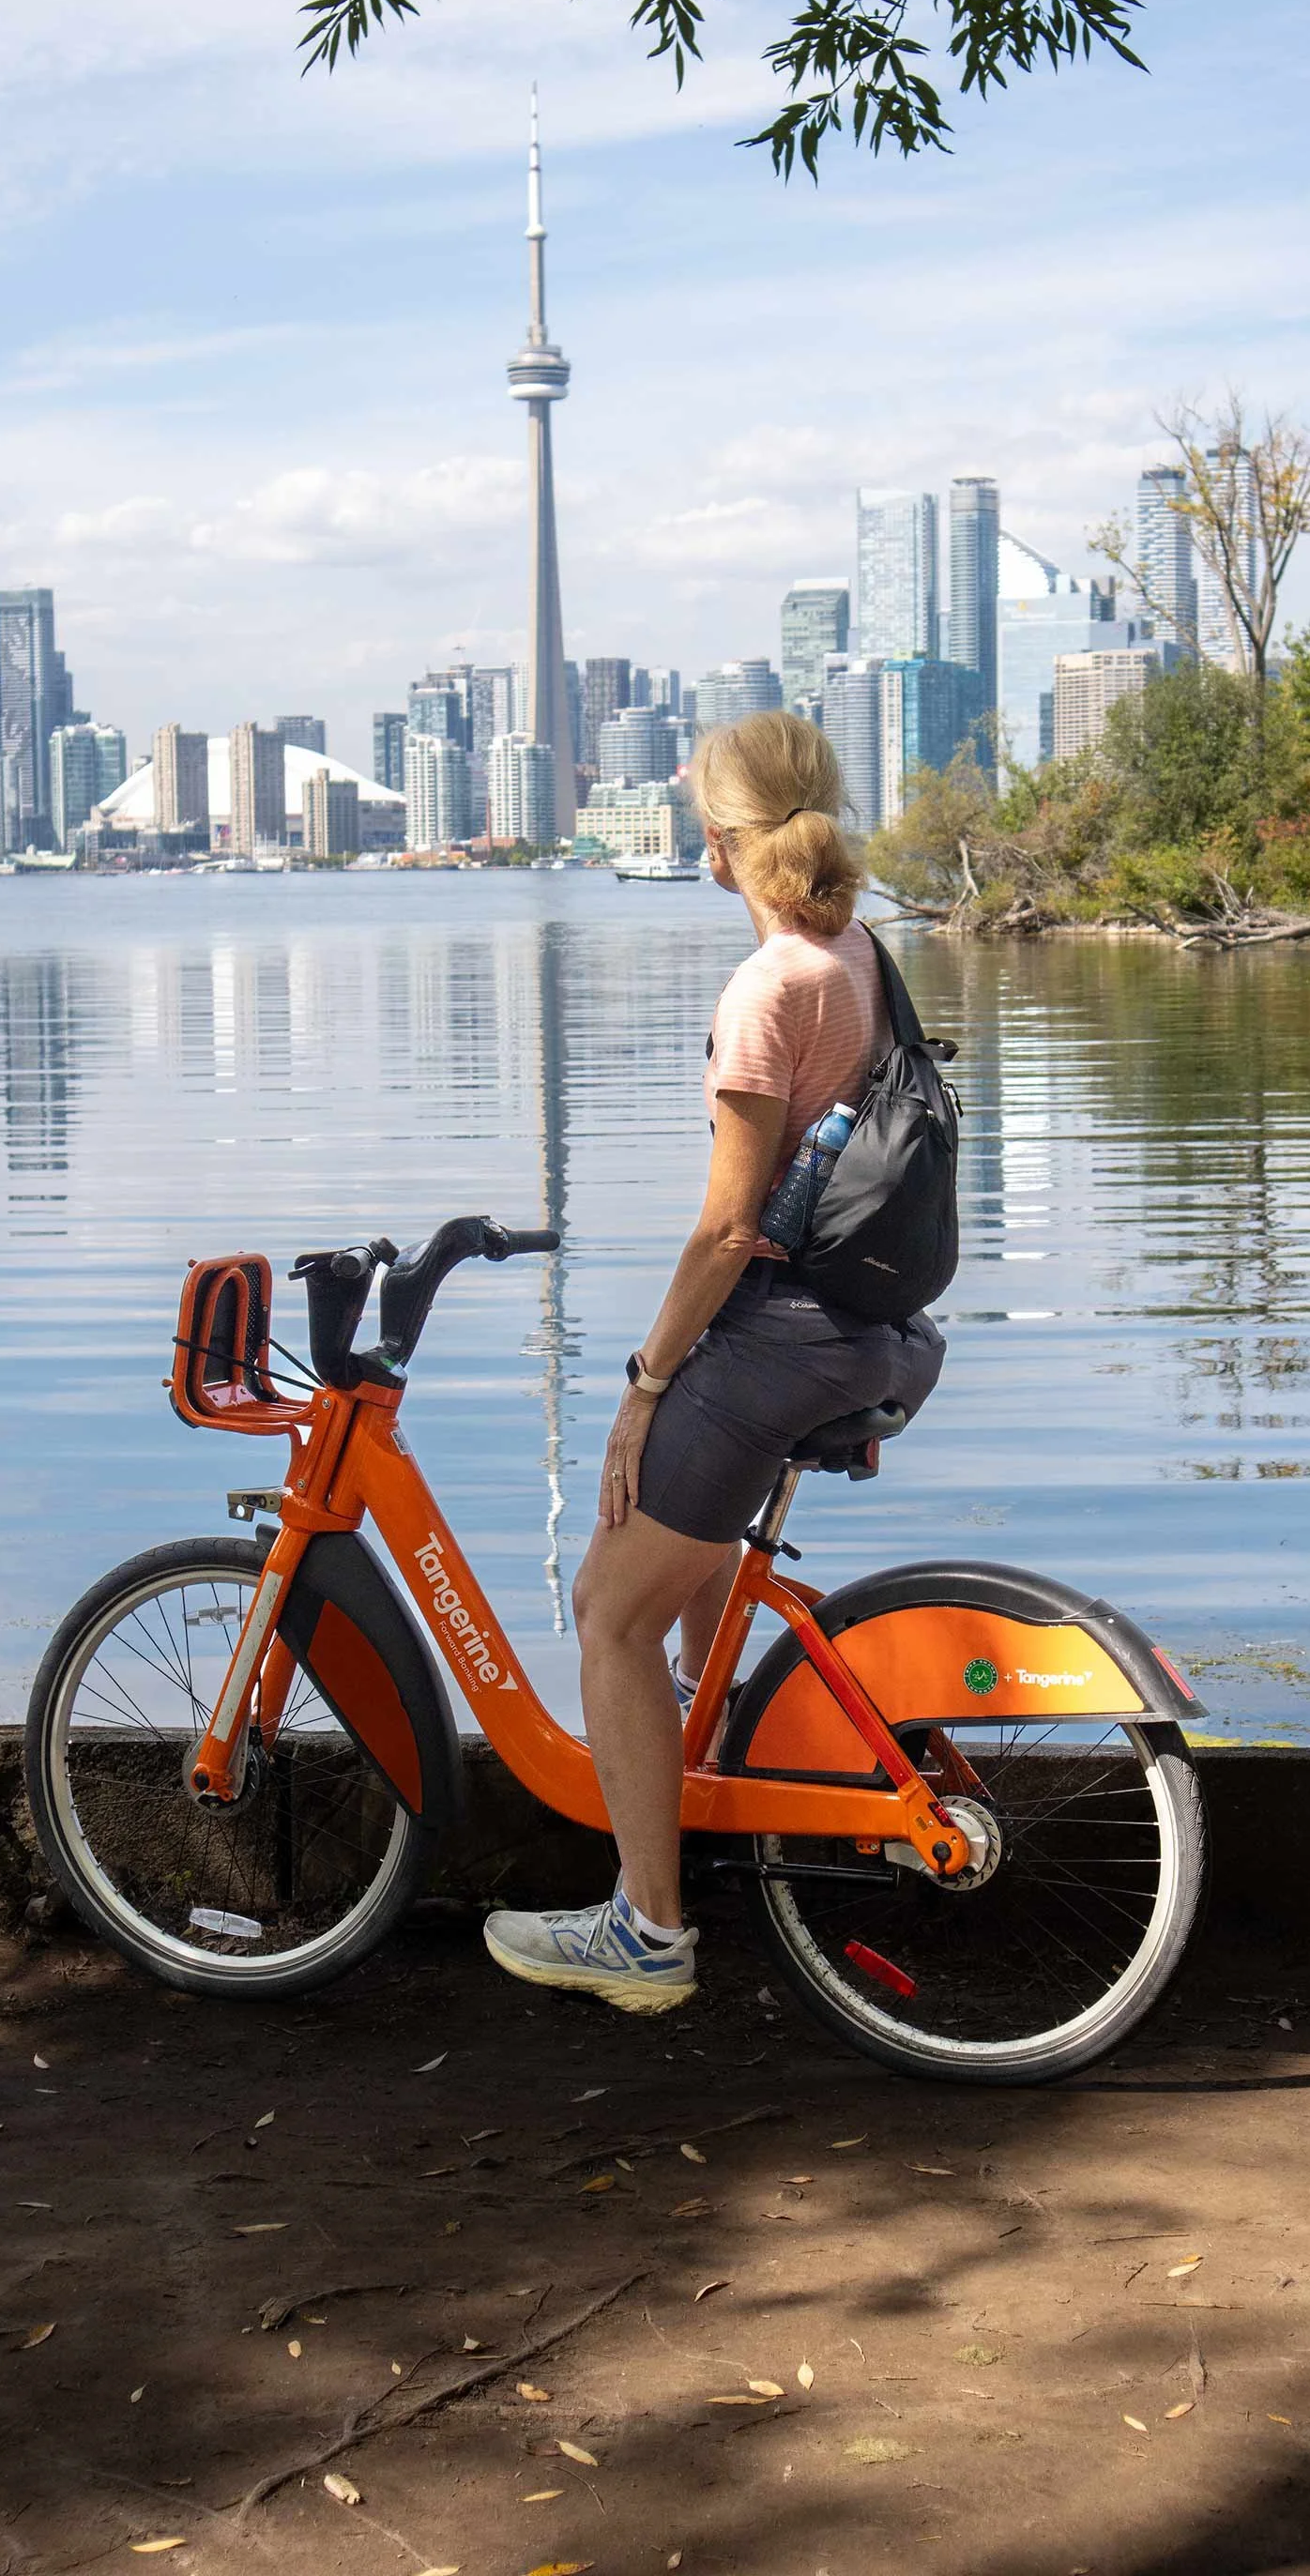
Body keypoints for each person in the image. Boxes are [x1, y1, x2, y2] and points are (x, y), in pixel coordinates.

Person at [483, 711, 945, 2014]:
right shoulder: (855, 948)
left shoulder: (767, 989)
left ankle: (648, 1933)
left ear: (721, 835)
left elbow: (732, 1229)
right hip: (870, 1326)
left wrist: (639, 1386)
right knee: (690, 1574)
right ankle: (712, 1754)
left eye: (700, 812)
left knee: (606, 1612)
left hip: (782, 1338)